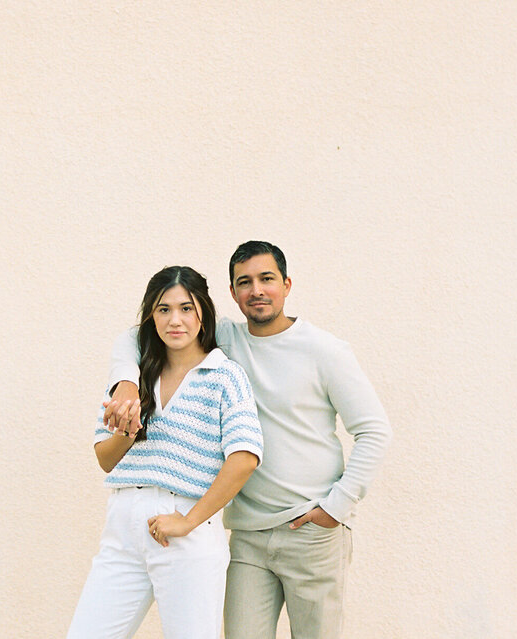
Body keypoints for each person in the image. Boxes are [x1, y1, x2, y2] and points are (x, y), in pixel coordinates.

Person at [103, 241, 391, 639]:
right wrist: (126, 383)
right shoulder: (225, 338)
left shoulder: (326, 351)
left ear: (287, 285)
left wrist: (336, 506)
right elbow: (137, 334)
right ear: (233, 293)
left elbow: (374, 430)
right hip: (249, 535)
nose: (256, 290)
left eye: (267, 279)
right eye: (244, 282)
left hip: (312, 528)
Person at [67, 265, 263, 639]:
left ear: (203, 312)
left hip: (185, 526)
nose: (176, 320)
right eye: (164, 309)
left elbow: (245, 456)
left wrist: (189, 520)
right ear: (151, 316)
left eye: (186, 308)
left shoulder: (225, 376)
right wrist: (128, 428)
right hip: (123, 527)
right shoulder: (132, 378)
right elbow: (106, 459)